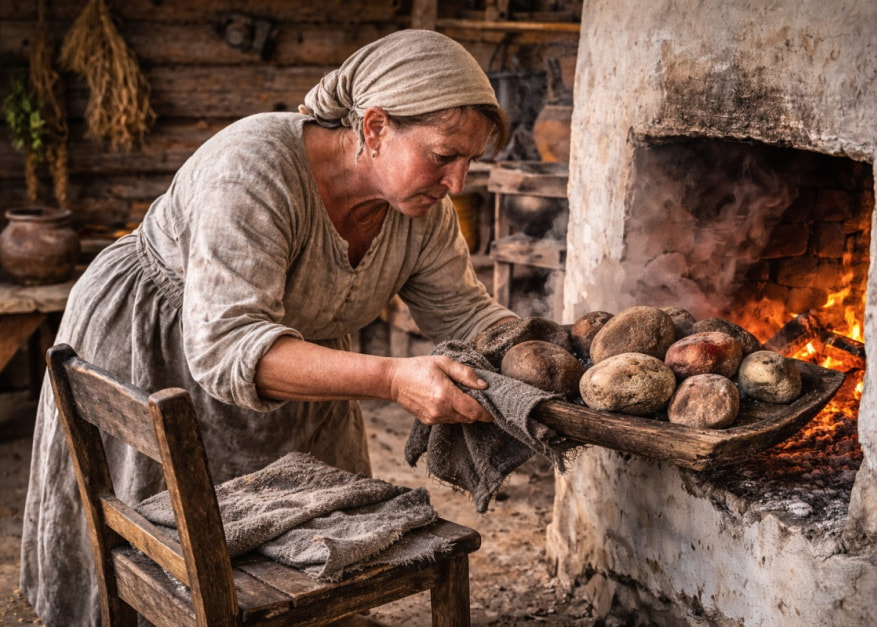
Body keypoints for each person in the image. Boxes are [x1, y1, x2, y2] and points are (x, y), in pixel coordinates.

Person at [21, 29, 517, 626]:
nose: (457, 182)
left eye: (470, 162)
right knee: (160, 551)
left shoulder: (421, 212)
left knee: (304, 547)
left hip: (296, 353)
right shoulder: (254, 166)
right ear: (377, 126)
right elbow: (227, 344)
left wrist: (560, 353)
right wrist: (391, 378)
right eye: (443, 156)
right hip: (160, 339)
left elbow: (465, 316)